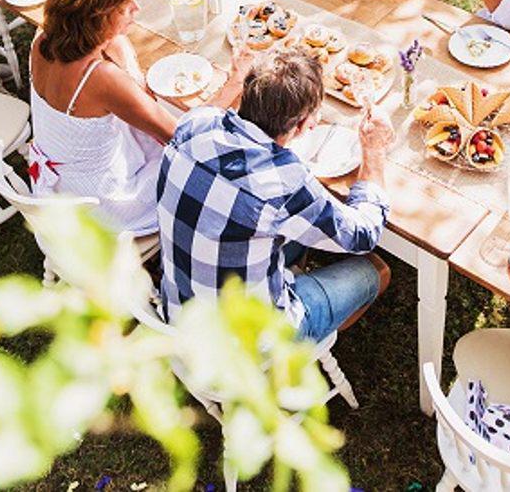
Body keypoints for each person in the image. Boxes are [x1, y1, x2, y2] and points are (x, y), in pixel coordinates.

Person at [157, 49, 394, 340]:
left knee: (287, 233)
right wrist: (374, 149)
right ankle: (306, 336)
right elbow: (363, 234)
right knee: (375, 270)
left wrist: (234, 79)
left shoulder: (193, 124)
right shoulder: (285, 182)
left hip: (179, 320)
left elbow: (212, 114)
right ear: (304, 125)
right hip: (243, 352)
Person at [26, 0, 248, 235]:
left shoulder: (43, 38)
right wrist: (235, 81)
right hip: (105, 204)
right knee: (209, 160)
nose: (137, 8)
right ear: (98, 17)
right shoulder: (100, 78)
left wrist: (116, 39)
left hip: (64, 182)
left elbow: (132, 83)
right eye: (125, 7)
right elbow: (184, 139)